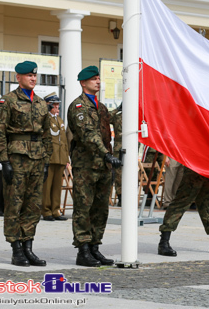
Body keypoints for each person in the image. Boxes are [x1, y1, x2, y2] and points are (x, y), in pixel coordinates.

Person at [0, 61, 52, 267]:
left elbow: (46, 135)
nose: (33, 78)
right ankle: (16, 248)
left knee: (33, 205)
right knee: (14, 203)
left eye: (35, 76)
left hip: (37, 158)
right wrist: (4, 161)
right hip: (16, 158)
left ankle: (28, 246)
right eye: (28, 76)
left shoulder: (42, 103)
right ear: (18, 77)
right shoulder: (7, 101)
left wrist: (46, 162)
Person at [67, 66, 122, 267]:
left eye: (99, 78)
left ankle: (94, 247)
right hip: (86, 166)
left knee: (101, 209)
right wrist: (107, 154)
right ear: (83, 83)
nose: (98, 82)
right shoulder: (78, 107)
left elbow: (110, 123)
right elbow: (89, 135)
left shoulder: (101, 107)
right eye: (93, 79)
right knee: (84, 207)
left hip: (104, 166)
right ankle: (82, 250)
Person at [158, 166, 209, 257]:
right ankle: (163, 242)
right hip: (195, 166)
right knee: (181, 201)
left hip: (207, 167)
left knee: (207, 203)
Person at [42, 93, 70, 221]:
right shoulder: (45, 119)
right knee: (47, 185)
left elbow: (63, 140)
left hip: (60, 157)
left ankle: (55, 210)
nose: (57, 107)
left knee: (57, 186)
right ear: (48, 105)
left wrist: (66, 158)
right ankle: (46, 210)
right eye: (54, 105)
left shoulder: (60, 120)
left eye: (58, 105)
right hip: (50, 157)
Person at [109, 102, 123, 206]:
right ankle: (120, 196)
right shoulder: (117, 117)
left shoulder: (136, 117)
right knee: (118, 174)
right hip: (119, 149)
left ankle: (129, 195)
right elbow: (106, 118)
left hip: (132, 148)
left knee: (131, 173)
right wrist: (117, 109)